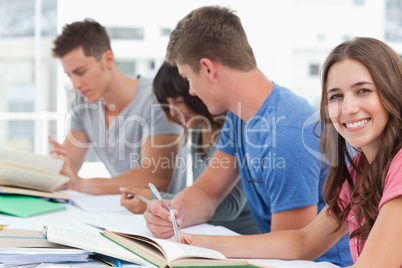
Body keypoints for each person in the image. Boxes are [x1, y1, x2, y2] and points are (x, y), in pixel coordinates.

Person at [143, 6, 352, 266]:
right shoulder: (239, 115)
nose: (191, 92)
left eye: (187, 78)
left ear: (207, 68)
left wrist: (209, 244)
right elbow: (208, 192)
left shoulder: (286, 135)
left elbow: (291, 251)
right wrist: (175, 211)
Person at [172, 37, 402, 266]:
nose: (349, 109)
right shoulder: (362, 170)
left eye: (363, 90)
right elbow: (303, 242)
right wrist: (206, 244)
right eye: (336, 96)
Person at [120, 62, 260, 235]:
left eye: (178, 101)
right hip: (210, 234)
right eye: (167, 103)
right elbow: (201, 193)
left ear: (195, 92)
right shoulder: (197, 129)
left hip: (242, 240)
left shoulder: (233, 129)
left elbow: (228, 206)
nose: (172, 112)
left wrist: (158, 199)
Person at [49, 19, 181, 195]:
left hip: (162, 215)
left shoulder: (156, 98)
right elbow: (66, 171)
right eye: (69, 75)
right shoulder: (83, 103)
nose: (75, 84)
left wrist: (82, 184)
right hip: (118, 211)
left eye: (80, 72)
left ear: (108, 59)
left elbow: (155, 179)